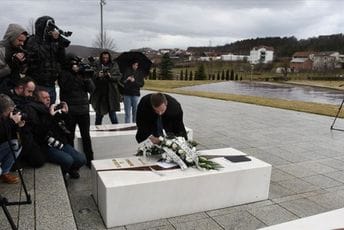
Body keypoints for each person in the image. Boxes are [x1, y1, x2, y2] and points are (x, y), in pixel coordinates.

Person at [25, 87, 86, 178]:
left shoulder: (50, 110)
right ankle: (63, 174)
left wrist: (66, 114)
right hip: (45, 146)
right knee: (67, 160)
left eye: (49, 97)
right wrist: (51, 116)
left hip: (59, 142)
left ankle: (70, 169)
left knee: (81, 159)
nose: (48, 99)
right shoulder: (33, 111)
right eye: (44, 97)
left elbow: (67, 129)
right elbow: (39, 133)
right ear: (37, 99)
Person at [58, 54, 95, 168]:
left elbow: (92, 89)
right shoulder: (63, 73)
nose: (76, 66)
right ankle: (73, 163)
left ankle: (90, 160)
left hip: (83, 110)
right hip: (70, 111)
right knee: (70, 137)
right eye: (74, 64)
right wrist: (74, 74)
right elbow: (65, 87)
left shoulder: (83, 74)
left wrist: (86, 77)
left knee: (86, 136)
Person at [24, 16, 69, 104]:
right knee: (38, 110)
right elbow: (35, 57)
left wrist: (59, 44)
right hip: (37, 84)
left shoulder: (54, 43)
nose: (50, 30)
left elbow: (62, 60)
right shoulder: (32, 41)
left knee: (50, 111)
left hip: (51, 84)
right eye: (48, 28)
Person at [90, 51, 121, 125]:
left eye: (106, 57)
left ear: (109, 57)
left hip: (111, 93)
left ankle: (116, 129)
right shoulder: (97, 64)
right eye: (103, 57)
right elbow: (91, 75)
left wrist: (110, 76)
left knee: (113, 115)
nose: (105, 59)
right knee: (99, 115)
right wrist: (98, 75)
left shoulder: (114, 65)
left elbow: (118, 77)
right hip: (100, 93)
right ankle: (97, 129)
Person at [0, 94, 25, 184]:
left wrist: (17, 126)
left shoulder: (5, 119)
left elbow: (9, 136)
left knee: (16, 144)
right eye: (9, 111)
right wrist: (11, 122)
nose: (11, 114)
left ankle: (4, 173)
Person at [0, 23, 28, 92]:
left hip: (14, 88)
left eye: (23, 41)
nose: (22, 44)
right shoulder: (1, 50)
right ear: (12, 37)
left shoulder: (19, 49)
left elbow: (22, 72)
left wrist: (24, 64)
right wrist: (11, 65)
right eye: (20, 40)